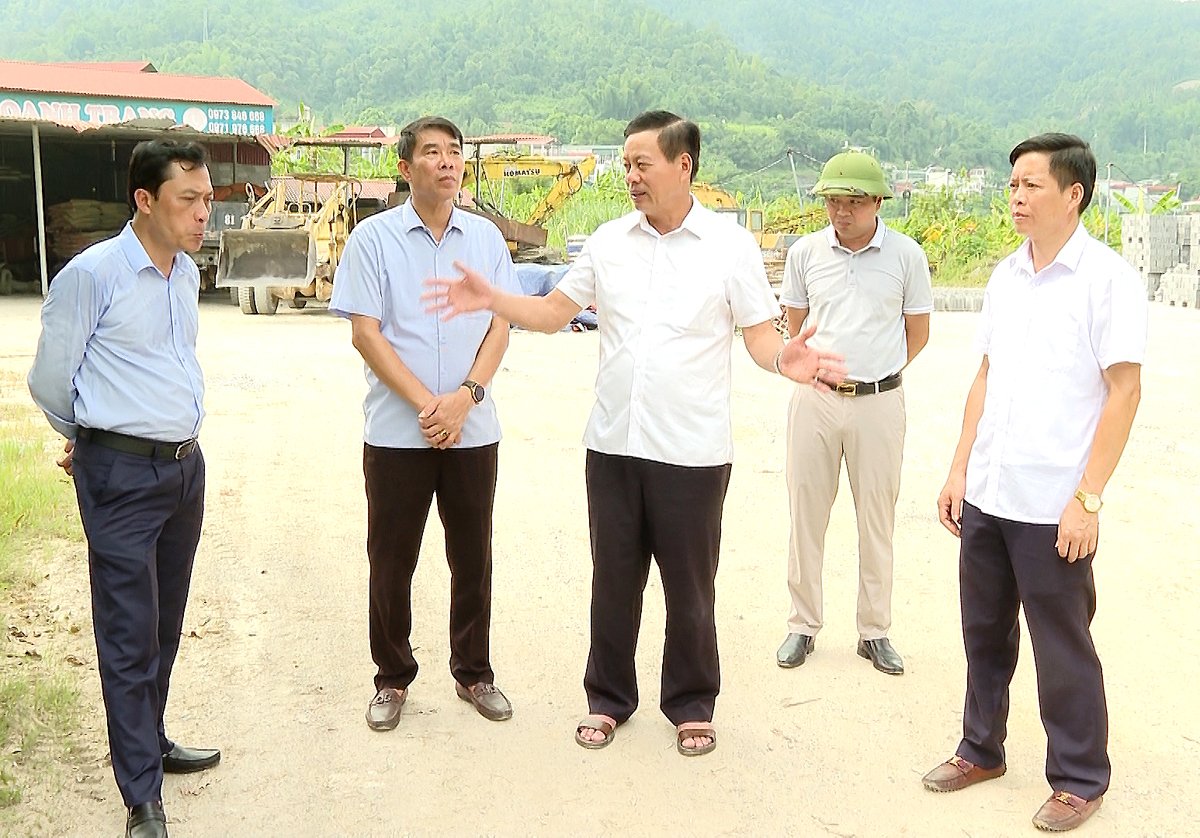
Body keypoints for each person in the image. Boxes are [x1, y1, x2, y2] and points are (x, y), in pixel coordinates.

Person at [424, 110, 847, 756]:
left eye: (641, 164)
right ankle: (608, 699)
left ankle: (691, 704)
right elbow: (551, 311)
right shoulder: (608, 241)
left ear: (684, 165)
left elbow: (761, 336)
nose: (629, 176)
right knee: (612, 582)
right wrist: (493, 299)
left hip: (692, 451)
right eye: (625, 165)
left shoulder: (728, 248)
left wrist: (785, 358)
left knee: (690, 588)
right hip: (614, 446)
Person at [923, 133, 1145, 833]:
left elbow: (1124, 392)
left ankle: (1079, 777)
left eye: (1031, 185)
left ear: (1073, 193)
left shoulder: (1107, 279)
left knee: (1062, 642)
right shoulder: (1005, 275)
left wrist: (1088, 499)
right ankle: (979, 748)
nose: (1015, 196)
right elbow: (986, 374)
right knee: (984, 634)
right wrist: (961, 467)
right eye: (1012, 184)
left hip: (1054, 504)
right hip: (991, 489)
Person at [28, 140, 221, 838]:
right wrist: (88, 439)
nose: (204, 215)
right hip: (121, 475)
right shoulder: (93, 275)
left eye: (207, 200)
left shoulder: (186, 275)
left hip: (182, 469)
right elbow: (50, 379)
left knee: (164, 622)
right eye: (188, 201)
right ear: (145, 200)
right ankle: (141, 794)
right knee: (127, 631)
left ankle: (153, 740)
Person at [329, 116, 519, 732]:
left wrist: (465, 397)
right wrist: (425, 405)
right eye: (431, 153)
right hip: (396, 434)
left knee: (474, 558)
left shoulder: (486, 239)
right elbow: (366, 333)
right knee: (391, 560)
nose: (446, 162)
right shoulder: (373, 239)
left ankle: (474, 671)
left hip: (472, 429)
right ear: (406, 168)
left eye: (454, 151)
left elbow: (500, 324)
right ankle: (391, 678)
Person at [775, 151, 932, 676]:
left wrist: (878, 373)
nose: (841, 212)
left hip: (880, 402)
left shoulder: (906, 256)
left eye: (853, 202)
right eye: (833, 202)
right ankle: (802, 624)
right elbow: (797, 324)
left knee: (877, 518)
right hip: (816, 400)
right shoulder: (805, 253)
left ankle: (875, 631)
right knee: (806, 514)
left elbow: (918, 333)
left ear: (878, 203)